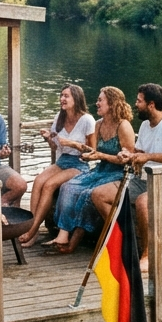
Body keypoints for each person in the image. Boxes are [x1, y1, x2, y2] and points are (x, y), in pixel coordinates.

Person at [91, 83, 162, 265]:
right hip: (143, 180)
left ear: (151, 104)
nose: (135, 104)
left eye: (139, 101)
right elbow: (140, 151)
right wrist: (128, 153)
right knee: (99, 194)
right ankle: (123, 241)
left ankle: (148, 255)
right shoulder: (145, 125)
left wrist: (148, 157)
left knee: (143, 202)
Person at [45, 86, 136, 254]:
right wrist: (84, 152)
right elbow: (91, 149)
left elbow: (128, 161)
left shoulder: (124, 126)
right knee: (68, 186)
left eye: (101, 100)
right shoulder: (98, 124)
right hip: (100, 169)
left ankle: (73, 244)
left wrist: (99, 155)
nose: (97, 103)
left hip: (118, 173)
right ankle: (63, 234)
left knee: (87, 194)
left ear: (112, 103)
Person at [19, 84, 95, 246]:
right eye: (61, 95)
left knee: (49, 185)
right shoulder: (59, 118)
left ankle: (32, 230)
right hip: (63, 160)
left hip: (79, 164)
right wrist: (48, 138)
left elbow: (92, 151)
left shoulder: (87, 120)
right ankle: (33, 230)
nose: (62, 99)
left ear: (77, 98)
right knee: (39, 180)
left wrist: (72, 143)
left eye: (66, 96)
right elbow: (55, 147)